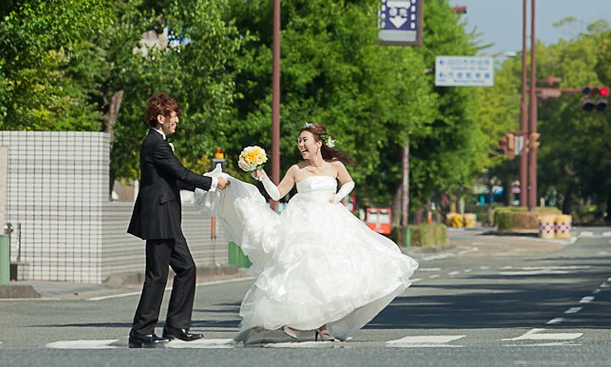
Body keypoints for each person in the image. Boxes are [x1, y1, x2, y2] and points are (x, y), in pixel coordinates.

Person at [196, 122, 418, 344]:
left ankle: (324, 324)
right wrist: (262, 176)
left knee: (333, 272)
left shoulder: (335, 166)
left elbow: (349, 182)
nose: (301, 144)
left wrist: (338, 195)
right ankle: (309, 324)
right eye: (299, 140)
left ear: (318, 143)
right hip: (301, 222)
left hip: (331, 219)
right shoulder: (296, 170)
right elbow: (277, 194)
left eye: (305, 140)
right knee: (304, 273)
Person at [127, 93, 229, 348]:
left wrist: (209, 183)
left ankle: (176, 326)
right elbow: (181, 172)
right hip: (159, 217)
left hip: (166, 217)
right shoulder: (155, 143)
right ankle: (141, 331)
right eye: (174, 117)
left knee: (186, 268)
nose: (177, 122)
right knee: (157, 275)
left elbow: (178, 178)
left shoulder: (159, 142)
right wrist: (213, 182)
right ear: (160, 118)